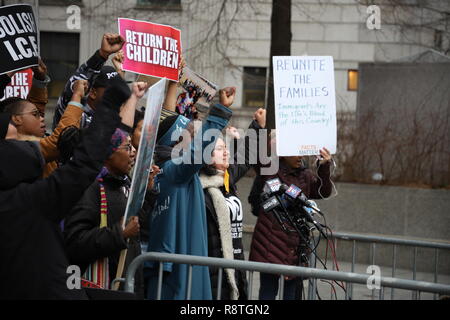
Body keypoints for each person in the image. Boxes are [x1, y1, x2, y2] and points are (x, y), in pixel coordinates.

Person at [0, 75, 132, 299]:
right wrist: (109, 106)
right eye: (15, 141)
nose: (29, 144)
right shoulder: (30, 201)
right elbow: (84, 165)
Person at [145, 88, 235, 300]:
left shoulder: (168, 170)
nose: (198, 140)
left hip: (175, 268)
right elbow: (198, 152)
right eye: (191, 135)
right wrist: (220, 111)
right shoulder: (173, 170)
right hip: (179, 276)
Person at [199, 107, 266, 300]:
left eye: (225, 148)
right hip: (213, 272)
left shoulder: (226, 179)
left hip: (235, 264)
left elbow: (245, 156)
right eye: (219, 149)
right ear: (205, 155)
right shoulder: (198, 186)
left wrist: (257, 126)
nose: (226, 152)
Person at [249, 148, 333, 300]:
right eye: (295, 151)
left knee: (291, 295)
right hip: (271, 247)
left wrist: (324, 166)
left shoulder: (305, 175)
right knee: (267, 293)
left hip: (295, 248)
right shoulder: (270, 169)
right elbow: (254, 153)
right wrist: (260, 128)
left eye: (301, 152)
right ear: (283, 152)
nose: (300, 156)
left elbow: (324, 191)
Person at [53, 33, 125, 129]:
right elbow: (75, 85)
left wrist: (120, 72)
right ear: (93, 93)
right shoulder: (75, 115)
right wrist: (102, 55)